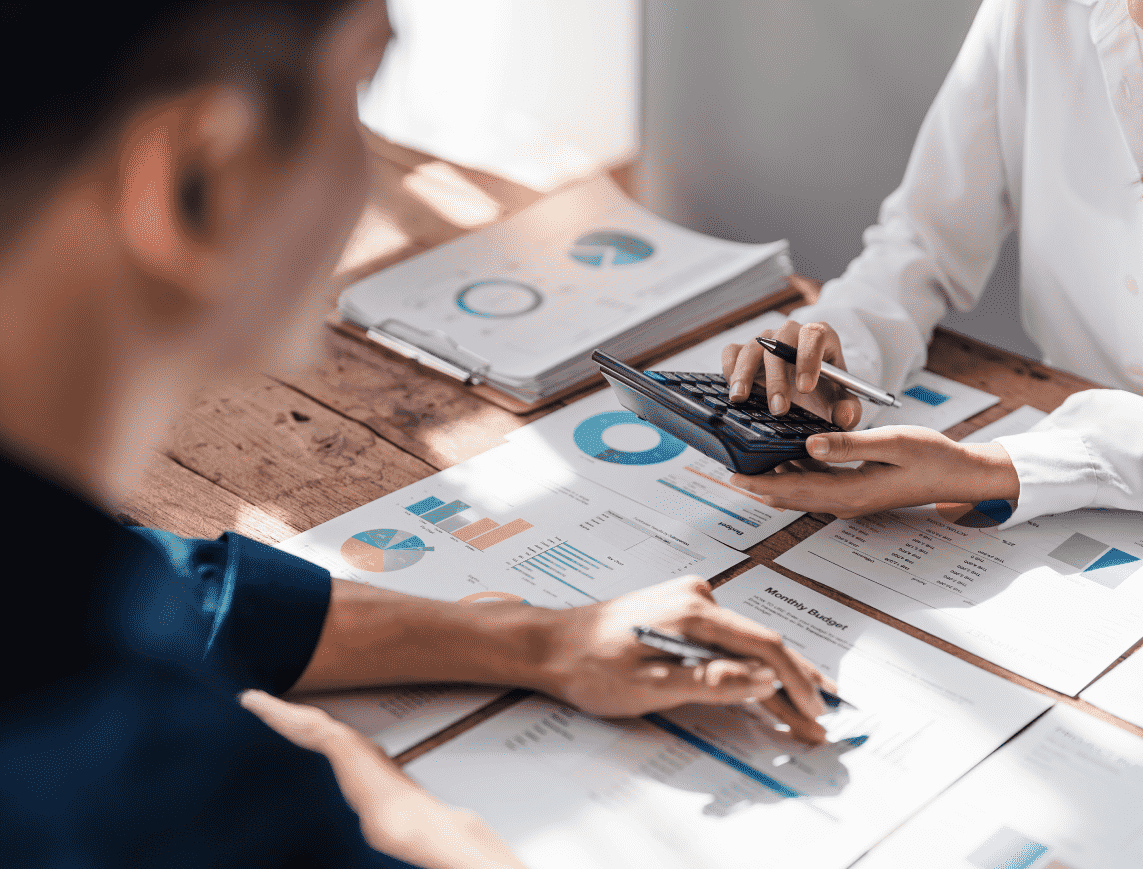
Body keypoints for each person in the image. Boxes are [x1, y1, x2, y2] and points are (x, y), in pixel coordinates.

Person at [0, 2, 827, 867]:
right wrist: (406, 822)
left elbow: (168, 576)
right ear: (198, 180)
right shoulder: (182, 808)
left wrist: (538, 638)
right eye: (360, 85)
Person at [722, 0, 1143, 525]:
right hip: (1062, 482)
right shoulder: (1037, 11)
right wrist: (843, 352)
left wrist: (995, 468)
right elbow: (923, 240)